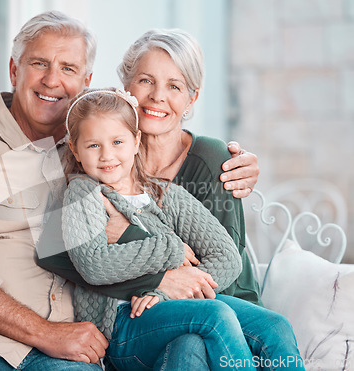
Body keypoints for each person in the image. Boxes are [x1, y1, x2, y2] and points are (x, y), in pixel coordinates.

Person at [0, 11, 260, 370]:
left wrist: (238, 164)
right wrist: (46, 332)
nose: (52, 80)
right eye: (39, 64)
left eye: (68, 69)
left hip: (64, 347)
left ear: (86, 81)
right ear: (14, 70)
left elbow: (133, 208)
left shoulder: (92, 150)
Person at [37, 29, 304, 370]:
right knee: (193, 337)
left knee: (265, 327)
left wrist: (153, 271)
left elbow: (225, 260)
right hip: (135, 316)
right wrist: (164, 265)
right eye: (146, 80)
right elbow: (63, 254)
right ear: (126, 86)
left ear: (192, 97)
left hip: (219, 298)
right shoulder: (92, 165)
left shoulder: (202, 167)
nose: (157, 96)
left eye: (174, 86)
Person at [62, 87, 263, 370]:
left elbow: (227, 257)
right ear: (76, 149)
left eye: (117, 141)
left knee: (275, 326)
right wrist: (171, 247)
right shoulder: (83, 194)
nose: (107, 155)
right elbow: (94, 265)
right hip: (123, 319)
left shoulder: (165, 193)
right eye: (94, 145)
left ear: (135, 141)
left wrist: (167, 291)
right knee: (215, 315)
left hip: (168, 307)